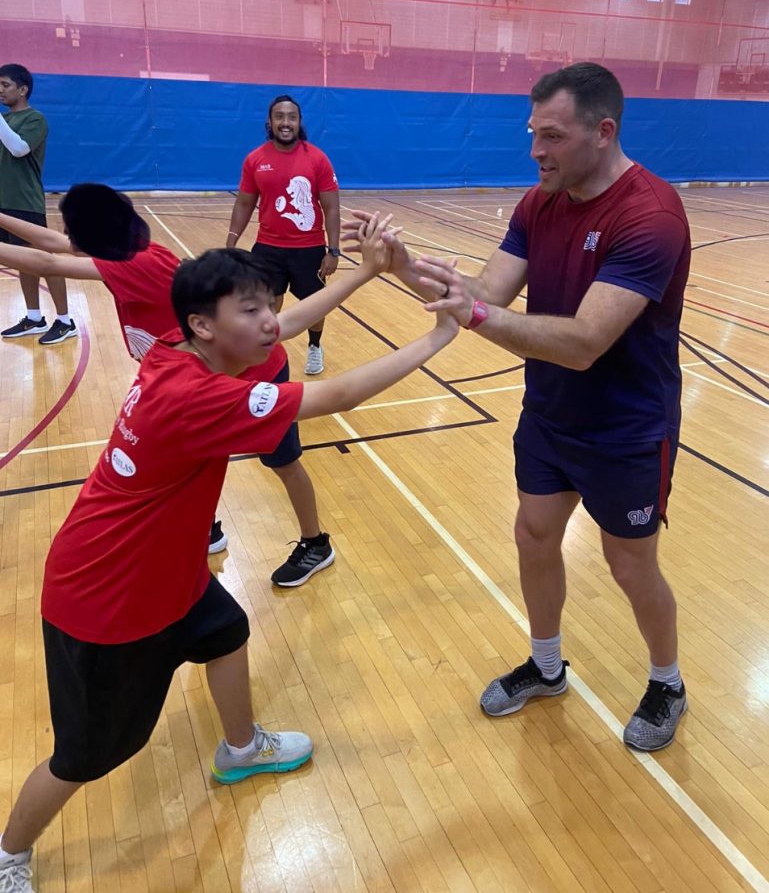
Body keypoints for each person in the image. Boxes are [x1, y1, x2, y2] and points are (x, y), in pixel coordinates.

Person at [0, 225, 459, 893]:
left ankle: (240, 747)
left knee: (226, 630)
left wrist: (362, 274)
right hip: (108, 600)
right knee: (86, 756)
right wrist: (439, 337)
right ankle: (9, 853)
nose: (269, 321)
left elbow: (282, 324)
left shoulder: (178, 351)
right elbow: (337, 396)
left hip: (163, 569)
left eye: (265, 305)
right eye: (249, 310)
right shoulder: (200, 398)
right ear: (203, 325)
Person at [343, 62, 691, 753]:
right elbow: (486, 291)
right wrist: (401, 265)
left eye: (551, 136)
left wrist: (472, 314)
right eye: (532, 133)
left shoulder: (649, 215)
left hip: (626, 429)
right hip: (549, 415)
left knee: (630, 567)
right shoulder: (539, 203)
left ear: (603, 131)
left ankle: (667, 681)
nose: (535, 150)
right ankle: (546, 664)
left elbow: (586, 341)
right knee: (534, 536)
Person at [0, 183, 335, 582]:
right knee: (196, 460)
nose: (68, 239)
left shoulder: (133, 265)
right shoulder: (125, 252)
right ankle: (207, 527)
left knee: (282, 462)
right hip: (203, 378)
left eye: (76, 233)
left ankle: (316, 543)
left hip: (252, 372)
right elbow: (54, 243)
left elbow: (48, 262)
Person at [226, 94, 340, 376]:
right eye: (280, 117)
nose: (285, 122)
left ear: (299, 122)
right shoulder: (255, 159)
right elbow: (244, 203)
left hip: (309, 249)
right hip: (268, 248)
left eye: (291, 117)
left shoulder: (317, 159)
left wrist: (333, 250)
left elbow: (331, 207)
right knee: (267, 306)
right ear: (270, 122)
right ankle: (269, 354)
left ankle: (314, 347)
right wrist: (231, 242)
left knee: (314, 307)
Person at [0, 64, 77, 345]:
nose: (0, 90)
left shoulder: (35, 119)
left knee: (45, 262)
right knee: (21, 261)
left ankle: (66, 321)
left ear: (23, 90)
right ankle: (34, 317)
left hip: (24, 202)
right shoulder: (4, 121)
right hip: (2, 203)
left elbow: (19, 149)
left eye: (5, 85)